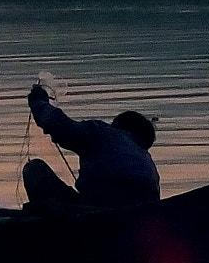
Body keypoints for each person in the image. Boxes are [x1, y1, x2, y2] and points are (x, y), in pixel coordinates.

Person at [22, 83, 159, 217]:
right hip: (140, 217)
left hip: (96, 212)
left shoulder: (102, 133)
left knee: (34, 169)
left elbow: (62, 128)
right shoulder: (148, 162)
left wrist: (39, 103)